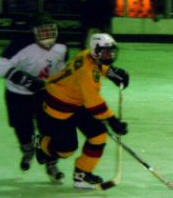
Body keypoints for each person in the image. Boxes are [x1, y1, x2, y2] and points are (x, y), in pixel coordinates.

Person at [34, 33, 130, 189]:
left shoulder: (89, 55)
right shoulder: (86, 73)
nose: (110, 55)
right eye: (106, 52)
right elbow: (94, 104)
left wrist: (111, 72)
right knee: (66, 150)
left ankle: (82, 174)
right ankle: (41, 143)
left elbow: (99, 66)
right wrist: (113, 121)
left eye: (111, 51)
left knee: (98, 136)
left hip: (77, 103)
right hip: (58, 106)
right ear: (95, 50)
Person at [0, 12, 68, 183]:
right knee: (22, 127)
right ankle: (27, 149)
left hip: (44, 94)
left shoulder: (62, 47)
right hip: (18, 94)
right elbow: (2, 68)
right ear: (33, 32)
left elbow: (62, 70)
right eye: (43, 32)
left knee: (50, 128)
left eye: (51, 31)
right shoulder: (19, 45)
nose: (48, 36)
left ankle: (51, 163)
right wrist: (26, 80)